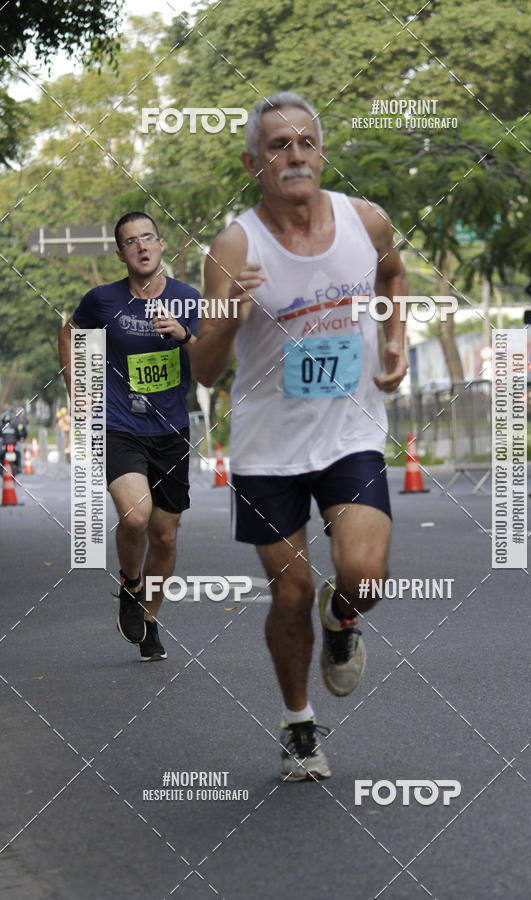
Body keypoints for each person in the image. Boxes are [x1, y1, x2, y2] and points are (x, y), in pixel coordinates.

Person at [190, 92, 408, 780]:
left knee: (365, 577)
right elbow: (202, 364)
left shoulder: (364, 220)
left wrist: (396, 338)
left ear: (321, 153)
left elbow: (394, 275)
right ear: (252, 162)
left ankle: (341, 622)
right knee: (288, 593)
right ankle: (299, 723)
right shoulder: (235, 245)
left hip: (350, 433)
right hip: (267, 448)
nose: (295, 155)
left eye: (305, 143)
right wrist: (229, 314)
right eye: (278, 146)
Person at [59, 212, 201, 661]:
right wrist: (76, 388)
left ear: (161, 246)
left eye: (148, 238)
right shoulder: (102, 300)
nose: (141, 247)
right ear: (120, 253)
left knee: (165, 536)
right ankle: (130, 583)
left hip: (172, 430)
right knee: (137, 518)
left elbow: (217, 358)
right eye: (130, 242)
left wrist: (183, 336)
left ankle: (151, 618)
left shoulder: (188, 299)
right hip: (120, 425)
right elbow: (71, 332)